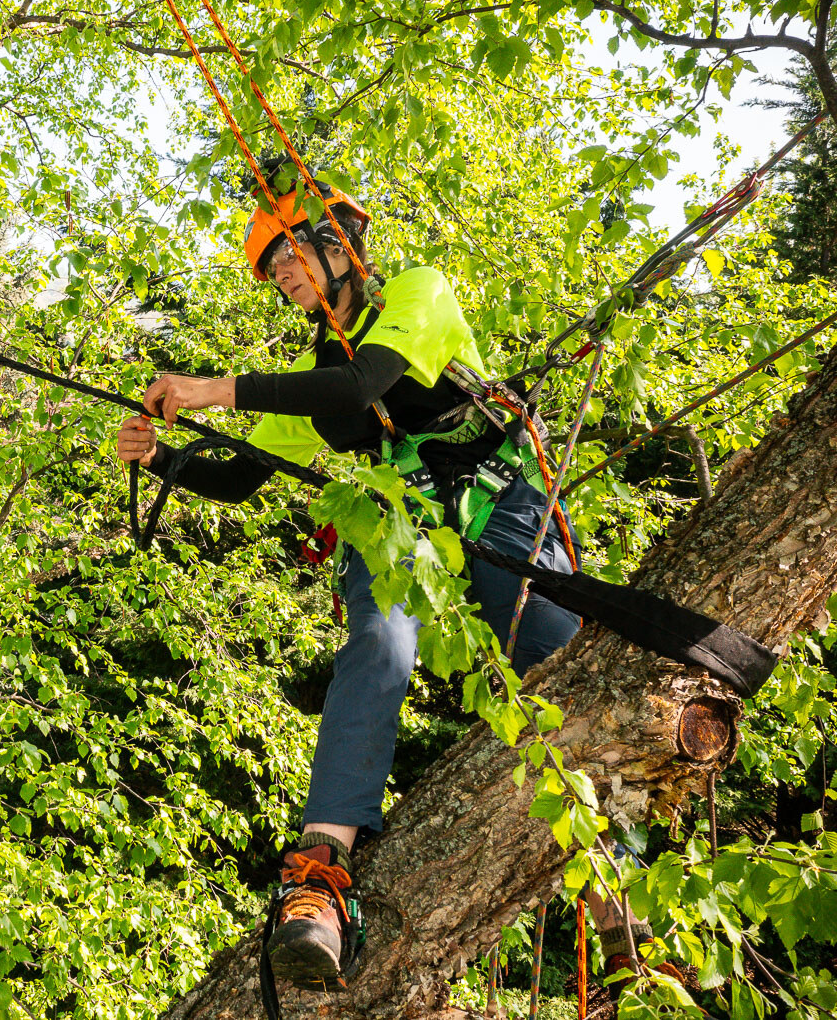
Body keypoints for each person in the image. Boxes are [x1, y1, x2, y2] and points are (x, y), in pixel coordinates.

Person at [116, 180, 660, 991]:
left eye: (291, 254)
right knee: (377, 644)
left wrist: (211, 388)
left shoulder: (417, 292)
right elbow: (239, 479)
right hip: (396, 524)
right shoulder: (309, 373)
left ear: (342, 246)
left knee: (557, 665)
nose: (283, 277)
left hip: (498, 501)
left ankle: (621, 894)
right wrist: (161, 458)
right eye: (271, 271)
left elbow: (359, 387)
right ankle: (319, 876)